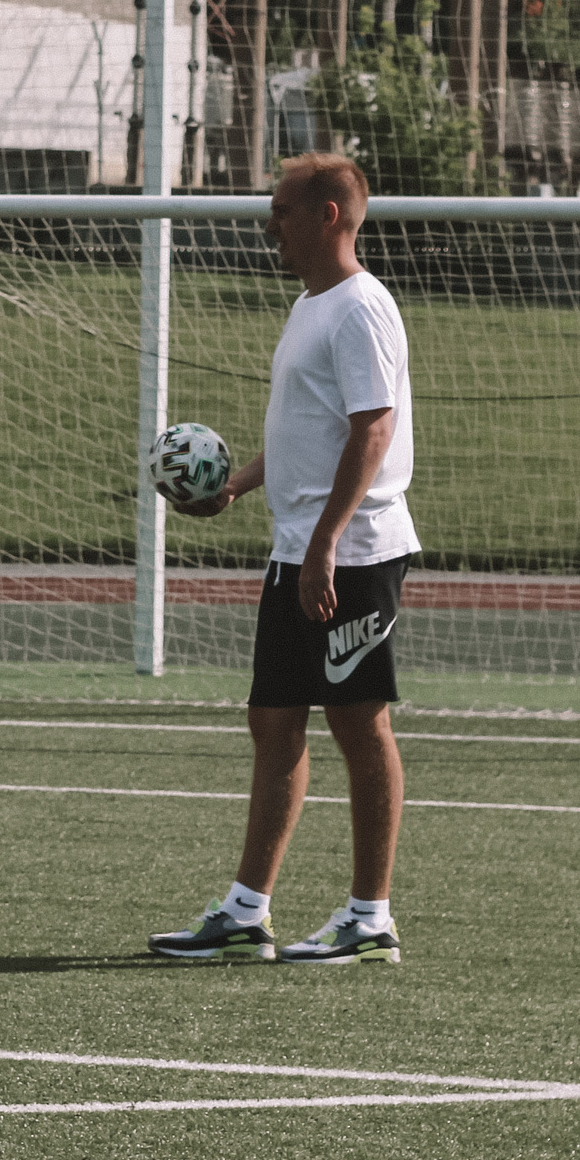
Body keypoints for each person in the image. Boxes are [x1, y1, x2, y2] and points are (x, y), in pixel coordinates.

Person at [147, 152, 418, 966]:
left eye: (283, 212)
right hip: (296, 548)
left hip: (352, 552)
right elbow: (308, 428)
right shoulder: (311, 305)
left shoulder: (361, 308)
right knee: (273, 722)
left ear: (328, 214)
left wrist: (329, 539)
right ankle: (245, 911)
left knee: (359, 723)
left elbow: (373, 429)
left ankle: (370, 916)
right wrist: (236, 487)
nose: (272, 226)